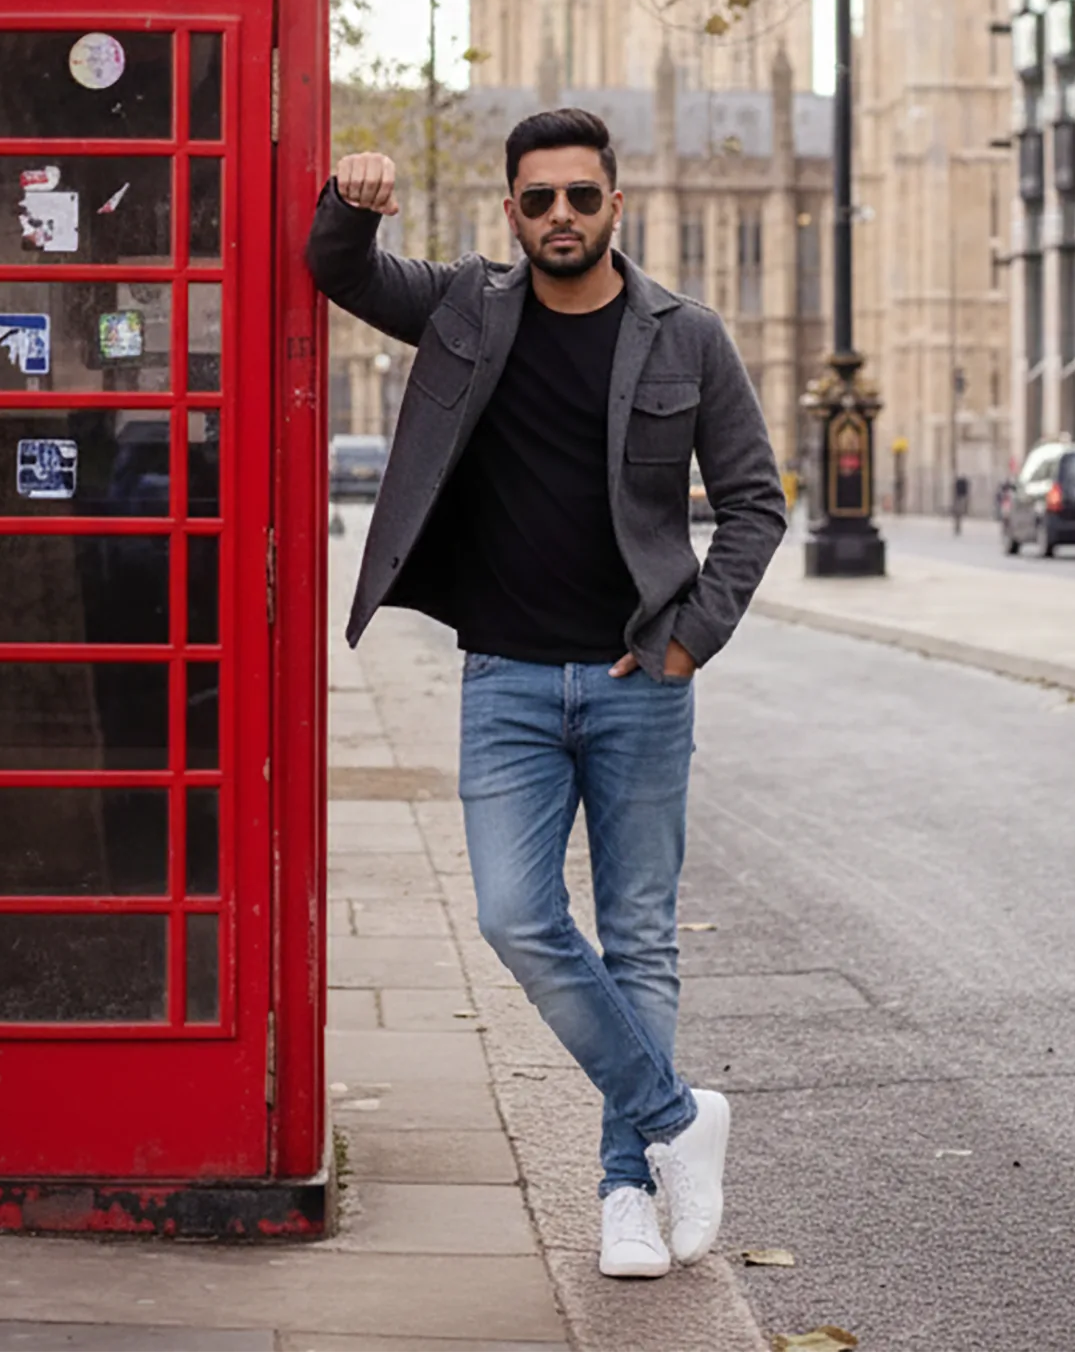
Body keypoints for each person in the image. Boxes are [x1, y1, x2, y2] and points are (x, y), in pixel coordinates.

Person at [306, 107, 788, 1280]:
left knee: (636, 941)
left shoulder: (687, 339)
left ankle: (626, 1194)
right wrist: (350, 194)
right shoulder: (466, 308)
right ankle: (679, 1121)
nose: (559, 216)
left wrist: (685, 644)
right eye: (538, 199)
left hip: (638, 684)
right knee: (516, 919)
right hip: (507, 679)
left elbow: (756, 502)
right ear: (510, 211)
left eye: (581, 196)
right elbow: (335, 268)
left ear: (617, 205)